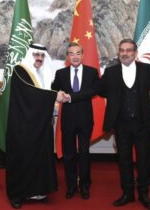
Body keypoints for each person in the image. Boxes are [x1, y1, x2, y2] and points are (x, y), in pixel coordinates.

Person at [66, 39, 150, 209]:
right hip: (121, 125)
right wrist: (71, 97)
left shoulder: (147, 70)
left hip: (143, 124)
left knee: (143, 160)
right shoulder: (110, 72)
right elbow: (95, 90)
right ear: (118, 53)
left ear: (135, 53)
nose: (125, 53)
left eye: (128, 50)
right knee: (124, 160)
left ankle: (143, 193)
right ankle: (127, 193)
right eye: (122, 50)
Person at [5, 43, 62, 209]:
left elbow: (42, 94)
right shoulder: (20, 70)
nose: (39, 58)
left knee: (40, 157)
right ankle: (17, 194)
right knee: (22, 158)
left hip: (40, 124)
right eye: (36, 55)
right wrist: (54, 96)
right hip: (22, 126)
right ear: (30, 55)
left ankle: (38, 192)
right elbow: (30, 93)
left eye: (42, 55)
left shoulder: (42, 74)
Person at [51, 43, 99, 200]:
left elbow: (93, 91)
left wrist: (71, 97)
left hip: (85, 119)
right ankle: (71, 186)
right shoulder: (61, 73)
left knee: (84, 154)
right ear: (68, 56)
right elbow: (53, 90)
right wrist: (57, 94)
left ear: (83, 55)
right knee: (69, 155)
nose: (75, 56)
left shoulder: (92, 73)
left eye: (78, 53)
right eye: (72, 53)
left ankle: (85, 186)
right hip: (68, 120)